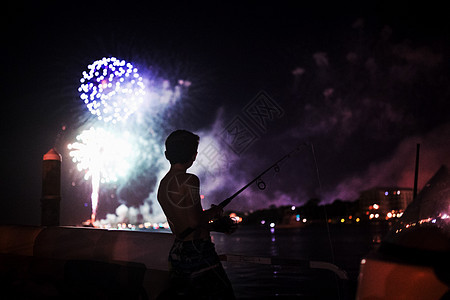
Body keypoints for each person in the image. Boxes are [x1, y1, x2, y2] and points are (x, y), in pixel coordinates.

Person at [157, 129, 235, 299]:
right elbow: (194, 221)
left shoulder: (162, 186)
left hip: (178, 253)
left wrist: (214, 224)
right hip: (198, 252)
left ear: (166, 154)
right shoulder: (190, 180)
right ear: (194, 155)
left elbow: (184, 224)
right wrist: (214, 213)